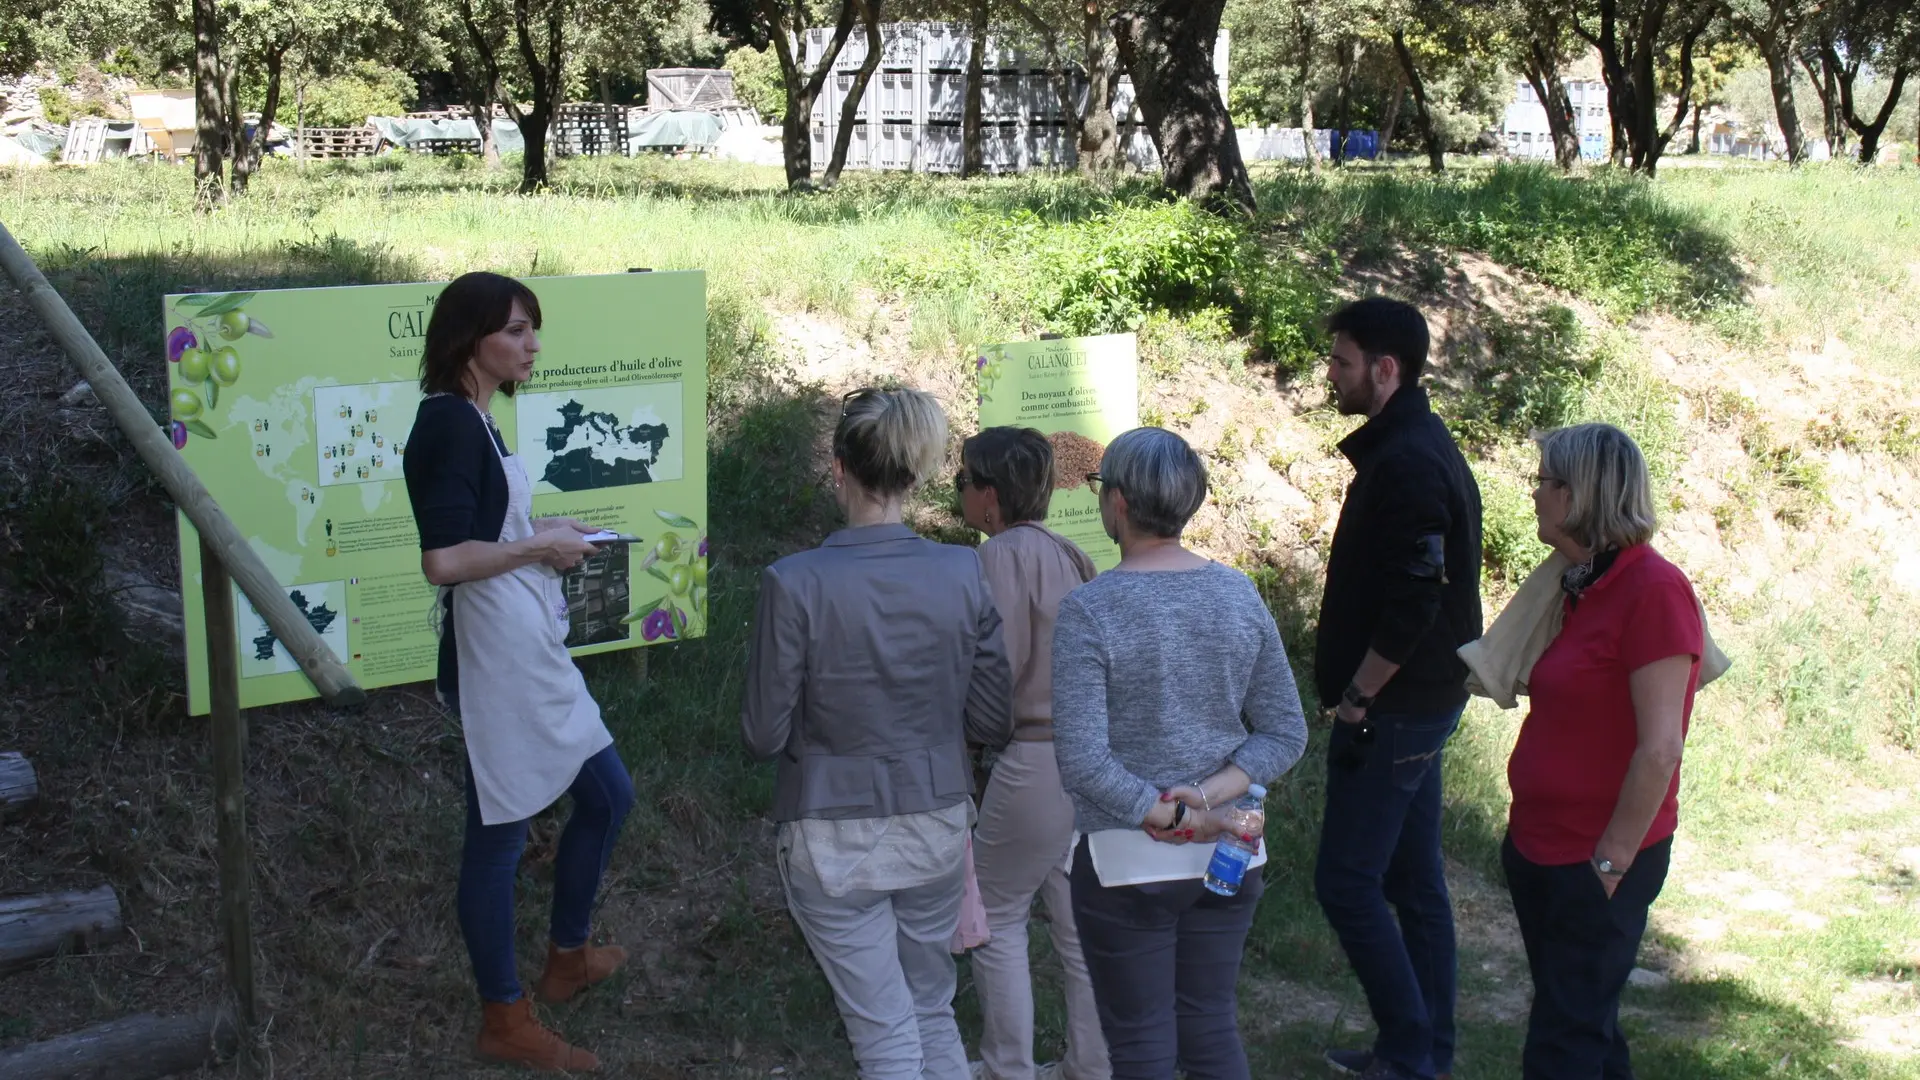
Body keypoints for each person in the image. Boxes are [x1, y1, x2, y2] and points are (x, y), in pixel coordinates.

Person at [741, 387, 1014, 1080]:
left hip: (831, 833)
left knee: (884, 1032)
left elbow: (762, 734)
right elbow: (991, 719)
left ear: (839, 469)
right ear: (915, 475)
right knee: (929, 1006)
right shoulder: (963, 570)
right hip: (938, 823)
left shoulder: (793, 582)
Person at [401, 271, 634, 1073]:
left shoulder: (475, 420)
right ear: (471, 341)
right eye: (516, 330)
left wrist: (543, 526)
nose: (532, 345)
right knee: (497, 840)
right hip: (493, 655)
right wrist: (539, 547)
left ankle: (565, 958)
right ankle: (504, 1016)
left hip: (523, 645)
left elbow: (480, 530)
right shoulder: (450, 427)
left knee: (608, 795)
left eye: (533, 329)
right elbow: (443, 560)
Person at [1053, 426, 1308, 1080]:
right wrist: (1213, 799)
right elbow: (1285, 732)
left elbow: (1081, 759)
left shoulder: (1089, 609)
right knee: (1210, 1025)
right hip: (1228, 849)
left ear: (1118, 505)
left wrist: (1169, 814)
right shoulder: (1237, 593)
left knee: (1140, 1046)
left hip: (1126, 857)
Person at [1311, 297, 1483, 1080]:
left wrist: (1359, 697)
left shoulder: (1410, 457)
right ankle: (1424, 1052)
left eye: (1342, 361)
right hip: (1417, 702)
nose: (1331, 375)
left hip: (1397, 708)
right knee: (1413, 885)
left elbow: (1417, 596)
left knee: (1347, 882)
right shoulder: (1408, 442)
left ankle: (1412, 1052)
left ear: (1386, 370)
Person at [1504, 423, 1701, 1078]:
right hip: (1542, 843)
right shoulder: (1577, 583)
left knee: (1564, 1042)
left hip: (1595, 857)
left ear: (1579, 493)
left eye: (1544, 483)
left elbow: (1660, 748)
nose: (1533, 496)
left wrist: (1611, 863)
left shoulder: (1653, 590)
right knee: (1580, 1022)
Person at [956, 427, 1109, 1080]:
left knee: (993, 915)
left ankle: (1005, 1068)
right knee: (1076, 928)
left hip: (1032, 759)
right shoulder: (1071, 554)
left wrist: (970, 749)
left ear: (990, 498)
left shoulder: (997, 559)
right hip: (1085, 758)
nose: (957, 493)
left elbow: (996, 672)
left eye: (962, 483)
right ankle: (1091, 1066)